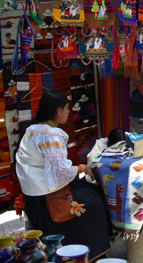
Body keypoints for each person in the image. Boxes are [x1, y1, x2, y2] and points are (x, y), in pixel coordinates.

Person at [14, 90, 112, 261]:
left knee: (86, 188)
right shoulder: (50, 135)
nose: (69, 112)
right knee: (96, 198)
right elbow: (60, 173)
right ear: (58, 111)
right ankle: (90, 252)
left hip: (35, 192)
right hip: (45, 195)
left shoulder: (32, 130)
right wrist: (81, 168)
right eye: (67, 109)